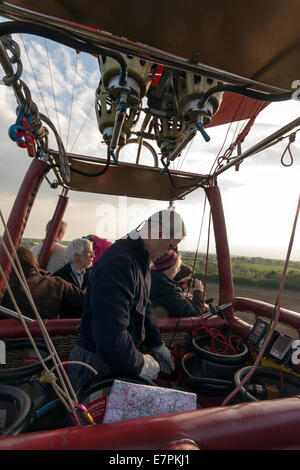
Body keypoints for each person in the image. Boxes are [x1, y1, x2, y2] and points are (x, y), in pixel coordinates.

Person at [68, 209, 186, 392]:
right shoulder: (118, 263)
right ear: (160, 233)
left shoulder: (139, 259)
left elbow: (143, 305)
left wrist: (157, 344)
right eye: (172, 245)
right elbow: (110, 333)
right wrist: (139, 365)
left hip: (118, 357)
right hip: (97, 363)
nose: (170, 251)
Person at [1, 247, 84, 319]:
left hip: (10, 337)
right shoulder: (57, 284)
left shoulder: (4, 291)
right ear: (34, 263)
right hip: (51, 336)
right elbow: (87, 302)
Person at [150, 250, 204, 318]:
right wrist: (198, 291)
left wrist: (179, 286)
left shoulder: (149, 278)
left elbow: (164, 294)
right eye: (177, 268)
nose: (177, 270)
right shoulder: (170, 292)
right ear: (170, 270)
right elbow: (195, 314)